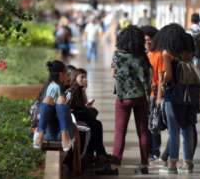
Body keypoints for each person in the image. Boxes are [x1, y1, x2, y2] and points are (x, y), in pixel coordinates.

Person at [96, 26, 152, 175]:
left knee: (120, 132)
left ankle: (115, 166)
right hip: (140, 97)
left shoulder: (117, 55)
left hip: (123, 98)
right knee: (143, 132)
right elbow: (147, 77)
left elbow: (113, 73)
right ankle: (145, 164)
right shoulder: (142, 56)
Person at [153, 24, 197, 174]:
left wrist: (163, 80)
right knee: (187, 129)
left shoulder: (167, 53)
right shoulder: (188, 52)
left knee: (174, 131)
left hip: (173, 96)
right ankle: (188, 163)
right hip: (190, 95)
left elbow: (169, 76)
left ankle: (172, 165)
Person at [66, 68, 111, 166]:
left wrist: (84, 92)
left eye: (85, 77)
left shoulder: (79, 90)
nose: (84, 79)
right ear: (75, 77)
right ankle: (96, 154)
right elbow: (69, 108)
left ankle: (97, 154)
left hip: (80, 117)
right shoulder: (72, 91)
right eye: (82, 77)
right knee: (94, 123)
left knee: (96, 123)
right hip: (74, 120)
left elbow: (81, 106)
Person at [140, 25, 163, 161]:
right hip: (145, 95)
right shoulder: (145, 55)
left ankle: (155, 151)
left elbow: (160, 77)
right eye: (144, 40)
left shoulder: (158, 55)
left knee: (153, 124)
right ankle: (148, 151)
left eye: (149, 40)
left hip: (154, 95)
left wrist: (159, 96)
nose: (147, 43)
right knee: (145, 124)